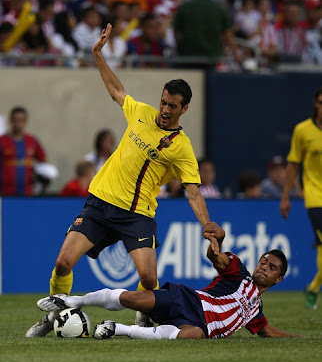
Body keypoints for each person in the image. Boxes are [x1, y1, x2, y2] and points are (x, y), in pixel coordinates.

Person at [25, 23, 224, 337]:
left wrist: (206, 225)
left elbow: (194, 192)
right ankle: (54, 318)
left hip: (137, 214)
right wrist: (97, 54)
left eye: (173, 106)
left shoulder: (182, 148)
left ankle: (144, 317)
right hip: (100, 203)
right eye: (163, 102)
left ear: (184, 109)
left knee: (148, 278)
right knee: (63, 263)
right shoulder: (141, 112)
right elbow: (117, 90)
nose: (165, 110)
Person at [37, 222, 300, 340]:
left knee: (194, 335)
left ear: (278, 279)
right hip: (189, 300)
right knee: (132, 298)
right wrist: (217, 240)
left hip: (199, 326)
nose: (264, 267)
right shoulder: (239, 273)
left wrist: (298, 337)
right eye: (264, 262)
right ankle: (71, 300)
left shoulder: (256, 311)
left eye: (272, 267)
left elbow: (267, 331)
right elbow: (215, 257)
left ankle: (118, 329)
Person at [280, 87, 322, 310]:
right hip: (315, 197)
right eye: (321, 102)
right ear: (315, 104)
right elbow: (293, 164)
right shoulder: (303, 131)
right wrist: (285, 196)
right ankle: (314, 289)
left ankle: (313, 288)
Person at [0, 106, 46, 196]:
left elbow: (43, 160)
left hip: (27, 192)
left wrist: (40, 177)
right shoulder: (2, 141)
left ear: (25, 121)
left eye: (21, 120)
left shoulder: (32, 140)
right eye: (15, 120)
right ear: (11, 121)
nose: (18, 123)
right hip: (6, 192)